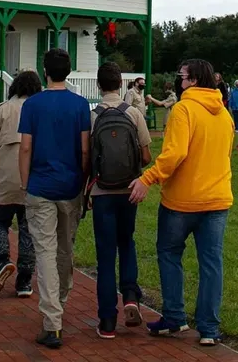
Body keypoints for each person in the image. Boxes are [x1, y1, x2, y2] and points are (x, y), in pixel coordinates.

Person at [129, 58, 233, 347]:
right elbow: (225, 153)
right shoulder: (224, 114)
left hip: (182, 201)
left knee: (169, 254)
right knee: (211, 263)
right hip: (218, 199)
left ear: (195, 80)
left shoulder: (183, 109)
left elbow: (174, 154)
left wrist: (147, 179)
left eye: (183, 76)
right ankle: (209, 329)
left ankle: (174, 317)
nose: (180, 81)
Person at [19, 47, 93, 350]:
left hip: (40, 186)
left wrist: (26, 184)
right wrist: (83, 181)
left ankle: (53, 321)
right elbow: (85, 150)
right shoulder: (80, 105)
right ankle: (58, 303)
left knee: (46, 252)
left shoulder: (32, 105)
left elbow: (25, 148)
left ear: (44, 70)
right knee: (65, 249)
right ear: (70, 70)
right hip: (71, 186)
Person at [90, 62, 153, 338]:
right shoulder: (134, 114)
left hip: (102, 192)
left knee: (105, 255)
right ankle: (130, 296)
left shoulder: (92, 116)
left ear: (98, 85)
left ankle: (106, 321)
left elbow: (87, 157)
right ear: (120, 84)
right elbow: (147, 156)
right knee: (127, 242)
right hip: (129, 190)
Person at [0, 69, 41, 298]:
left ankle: (2, 259)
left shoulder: (2, 110)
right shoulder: (40, 111)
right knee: (28, 230)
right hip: (33, 181)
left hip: (3, 182)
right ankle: (24, 279)